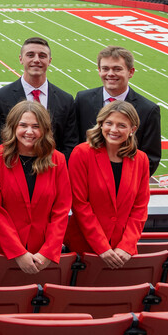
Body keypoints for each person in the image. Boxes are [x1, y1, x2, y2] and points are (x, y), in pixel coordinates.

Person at [0, 101, 71, 274]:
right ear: (13, 127)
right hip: (0, 252)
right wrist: (18, 253)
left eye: (36, 126)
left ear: (44, 130)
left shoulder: (57, 159)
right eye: (23, 125)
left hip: (42, 257)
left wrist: (48, 252)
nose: (29, 132)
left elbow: (61, 209)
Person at [66, 101, 151, 268]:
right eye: (109, 123)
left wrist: (126, 246)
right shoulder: (82, 153)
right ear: (101, 124)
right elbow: (79, 204)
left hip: (122, 253)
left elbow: (140, 207)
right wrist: (102, 247)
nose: (114, 130)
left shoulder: (141, 159)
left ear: (132, 129)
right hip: (83, 248)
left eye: (121, 125)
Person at [75, 46, 162, 175]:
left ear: (131, 72)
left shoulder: (148, 109)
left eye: (117, 69)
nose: (110, 74)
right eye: (105, 69)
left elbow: (151, 158)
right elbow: (74, 142)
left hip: (124, 185)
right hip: (86, 180)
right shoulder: (83, 99)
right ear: (99, 70)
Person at [0, 37, 79, 156]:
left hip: (52, 169)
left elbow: (70, 144)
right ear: (21, 59)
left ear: (50, 60)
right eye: (30, 55)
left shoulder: (65, 100)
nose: (36, 60)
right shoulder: (0, 97)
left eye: (42, 56)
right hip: (14, 168)